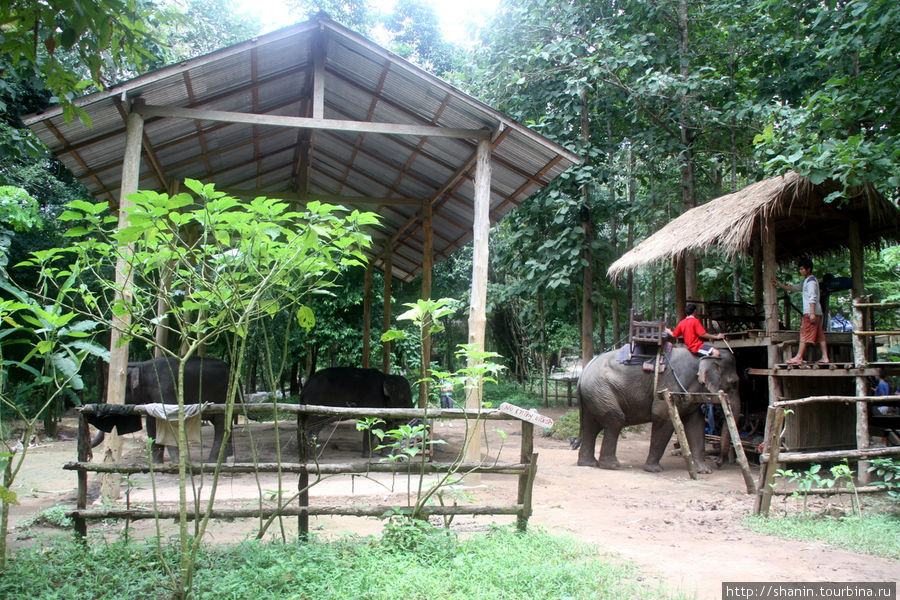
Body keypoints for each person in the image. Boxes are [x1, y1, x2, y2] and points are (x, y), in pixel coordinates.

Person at [773, 258, 830, 365]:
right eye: (800, 269)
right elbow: (794, 288)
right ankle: (825, 357)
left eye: (802, 269)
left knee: (804, 333)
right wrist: (779, 285)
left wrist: (812, 313)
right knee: (820, 335)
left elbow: (812, 297)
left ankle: (799, 357)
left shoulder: (811, 282)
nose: (801, 271)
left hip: (810, 312)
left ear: (808, 269)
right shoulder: (807, 281)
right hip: (816, 312)